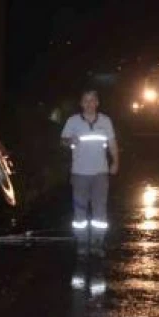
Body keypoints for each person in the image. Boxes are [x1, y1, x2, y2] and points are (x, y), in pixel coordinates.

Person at [61, 89, 119, 257]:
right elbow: (63, 140)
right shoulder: (72, 121)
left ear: (97, 103)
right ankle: (82, 242)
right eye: (85, 100)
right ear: (81, 103)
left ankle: (97, 243)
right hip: (79, 173)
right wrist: (69, 140)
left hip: (100, 173)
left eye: (92, 100)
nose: (89, 103)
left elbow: (112, 143)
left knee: (100, 209)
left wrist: (115, 162)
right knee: (80, 209)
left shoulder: (106, 121)